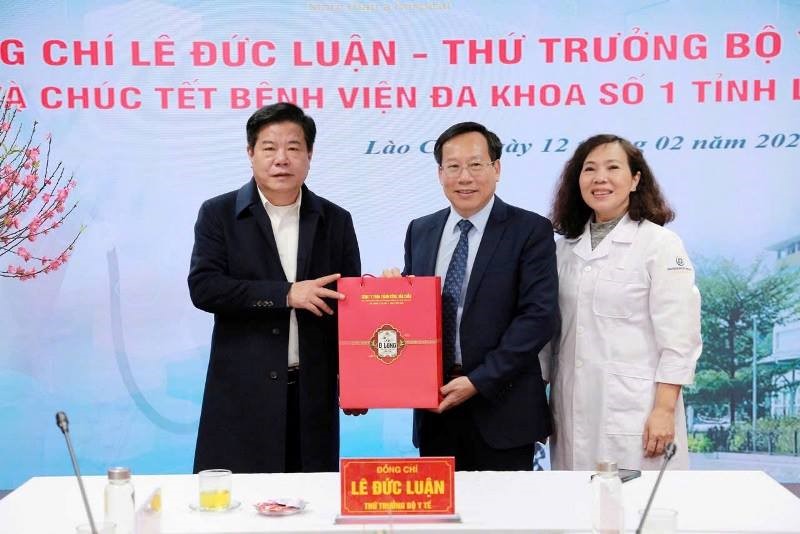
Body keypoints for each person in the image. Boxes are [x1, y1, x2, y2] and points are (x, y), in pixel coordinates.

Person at [188, 102, 361, 473]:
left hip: (311, 398)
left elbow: (350, 311)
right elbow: (205, 287)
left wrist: (358, 381)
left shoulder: (336, 221)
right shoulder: (219, 214)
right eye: (269, 148)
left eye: (293, 147)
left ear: (309, 155)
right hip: (241, 397)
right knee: (238, 504)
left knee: (312, 501)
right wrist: (286, 294)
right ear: (250, 153)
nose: (281, 158)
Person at [384, 122, 558, 470]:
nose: (465, 177)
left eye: (476, 165)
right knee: (440, 505)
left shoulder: (530, 230)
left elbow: (538, 317)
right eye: (453, 166)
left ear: (497, 168)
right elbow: (416, 315)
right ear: (440, 173)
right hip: (436, 407)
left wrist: (479, 381)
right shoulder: (421, 230)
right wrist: (393, 296)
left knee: (503, 506)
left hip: (503, 407)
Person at [543, 133, 701, 470]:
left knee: (636, 501)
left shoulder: (660, 244)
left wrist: (664, 410)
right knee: (575, 501)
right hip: (571, 411)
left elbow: (680, 339)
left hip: (637, 412)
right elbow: (547, 334)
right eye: (589, 169)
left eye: (613, 168)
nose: (600, 178)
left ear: (635, 179)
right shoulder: (561, 250)